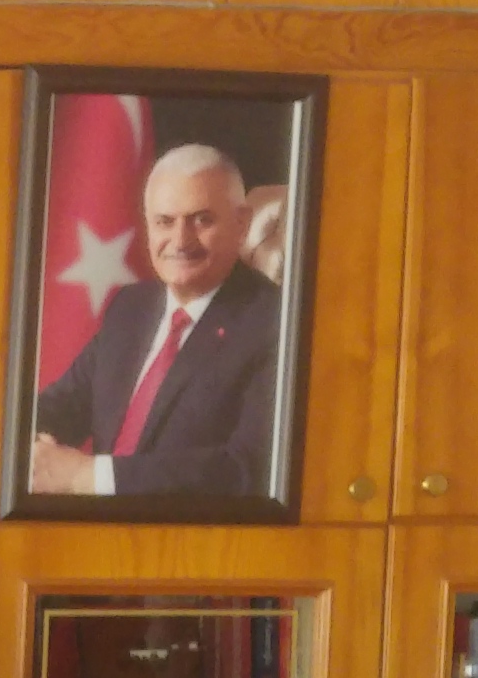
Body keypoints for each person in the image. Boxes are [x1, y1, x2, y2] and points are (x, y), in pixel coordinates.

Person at [25, 146, 287, 502]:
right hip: (88, 528)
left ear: (241, 223)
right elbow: (61, 406)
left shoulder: (275, 324)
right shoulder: (131, 308)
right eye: (164, 221)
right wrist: (30, 445)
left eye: (201, 220)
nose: (180, 241)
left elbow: (245, 470)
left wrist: (88, 477)